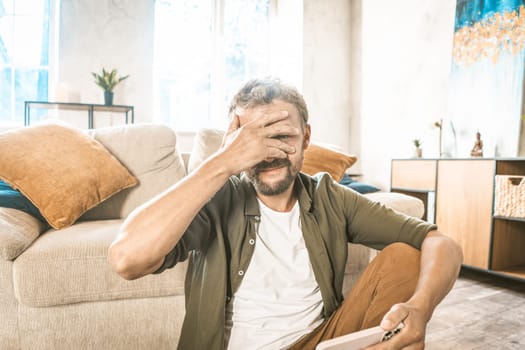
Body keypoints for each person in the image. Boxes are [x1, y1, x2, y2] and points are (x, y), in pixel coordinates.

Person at [108, 78, 463, 350]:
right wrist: (223, 163)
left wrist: (421, 307)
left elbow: (440, 243)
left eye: (283, 137)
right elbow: (126, 259)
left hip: (316, 341)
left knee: (404, 256)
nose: (272, 153)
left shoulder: (328, 197)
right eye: (256, 142)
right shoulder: (217, 197)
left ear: (306, 137)